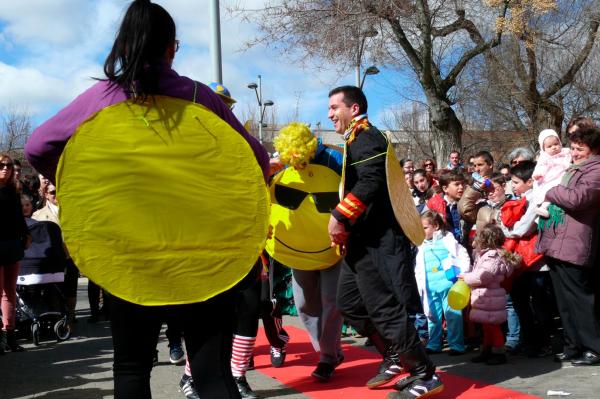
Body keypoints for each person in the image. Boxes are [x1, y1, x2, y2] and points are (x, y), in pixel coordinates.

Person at [25, 1, 269, 398]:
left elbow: (38, 146)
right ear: (173, 48)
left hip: (130, 255)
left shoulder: (105, 97)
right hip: (202, 254)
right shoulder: (198, 96)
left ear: (123, 48)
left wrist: (86, 186)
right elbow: (255, 160)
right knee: (211, 374)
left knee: (132, 369)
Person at [327, 86, 443, 399]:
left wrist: (339, 216)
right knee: (350, 304)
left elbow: (371, 181)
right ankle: (395, 355)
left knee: (384, 309)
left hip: (378, 241)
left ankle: (424, 373)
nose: (329, 114)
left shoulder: (367, 135)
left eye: (335, 107)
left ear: (354, 108)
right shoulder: (355, 139)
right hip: (361, 242)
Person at [537, 122, 600, 366]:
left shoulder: (595, 170)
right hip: (558, 241)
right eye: (572, 148)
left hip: (576, 242)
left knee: (580, 299)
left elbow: (577, 199)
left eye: (579, 149)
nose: (573, 153)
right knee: (563, 300)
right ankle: (572, 345)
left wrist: (551, 191)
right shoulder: (575, 168)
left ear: (594, 149)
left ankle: (594, 347)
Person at [415, 211, 470, 356]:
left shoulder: (447, 239)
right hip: (429, 286)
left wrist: (463, 272)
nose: (422, 231)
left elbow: (462, 254)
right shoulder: (420, 244)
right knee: (432, 316)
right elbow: (418, 266)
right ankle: (434, 344)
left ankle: (456, 345)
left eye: (425, 228)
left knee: (453, 316)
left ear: (436, 226)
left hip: (448, 285)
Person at [462, 224, 518, 365]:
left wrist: (466, 277)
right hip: (488, 296)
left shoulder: (491, 257)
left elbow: (483, 277)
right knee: (487, 325)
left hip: (489, 296)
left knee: (492, 326)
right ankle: (487, 350)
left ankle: (499, 352)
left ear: (485, 241)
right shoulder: (489, 255)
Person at [0, 154, 30, 353]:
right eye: (1, 165)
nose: (6, 168)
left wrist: (26, 235)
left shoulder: (13, 190)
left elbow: (19, 218)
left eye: (9, 165)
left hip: (11, 246)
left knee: (10, 293)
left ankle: (10, 335)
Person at [531, 129, 571, 218]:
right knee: (548, 191)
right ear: (543, 148)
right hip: (550, 178)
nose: (554, 147)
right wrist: (538, 174)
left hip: (563, 174)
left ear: (560, 143)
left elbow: (572, 159)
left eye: (556, 144)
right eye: (549, 146)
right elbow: (540, 166)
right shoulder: (544, 157)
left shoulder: (566, 152)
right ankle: (543, 208)